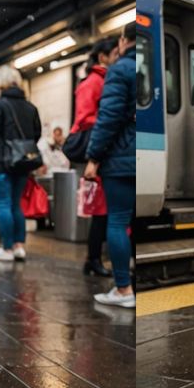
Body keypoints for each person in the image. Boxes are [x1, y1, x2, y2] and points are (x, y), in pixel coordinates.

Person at [85, 22, 138, 309]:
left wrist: (94, 157)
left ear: (122, 40)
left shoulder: (121, 69)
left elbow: (109, 118)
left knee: (117, 220)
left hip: (121, 157)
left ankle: (123, 288)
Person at [0, 66, 42, 263]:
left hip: (1, 162)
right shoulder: (31, 107)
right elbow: (36, 134)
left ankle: (6, 249)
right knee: (16, 204)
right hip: (23, 162)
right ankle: (19, 246)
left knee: (3, 204)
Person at [72, 40, 115, 278]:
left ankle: (94, 258)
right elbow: (84, 118)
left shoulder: (104, 79)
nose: (117, 57)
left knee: (104, 210)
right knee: (100, 210)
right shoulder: (93, 83)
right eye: (115, 54)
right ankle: (94, 258)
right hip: (97, 152)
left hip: (104, 150)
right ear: (102, 57)